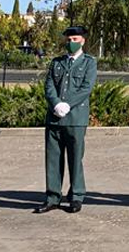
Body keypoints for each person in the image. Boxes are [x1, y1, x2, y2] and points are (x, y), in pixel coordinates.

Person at [35, 26, 96, 214]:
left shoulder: (89, 63)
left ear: (83, 41)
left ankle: (76, 196)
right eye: (69, 39)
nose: (71, 43)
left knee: (75, 158)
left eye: (75, 39)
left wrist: (67, 104)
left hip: (76, 118)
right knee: (53, 159)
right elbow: (49, 85)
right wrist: (55, 104)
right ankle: (53, 197)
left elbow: (86, 87)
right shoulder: (57, 62)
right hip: (54, 118)